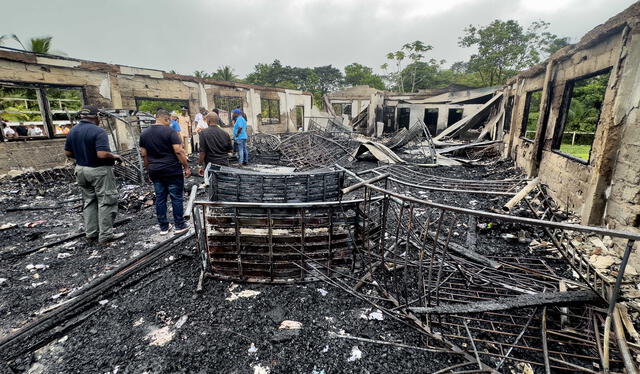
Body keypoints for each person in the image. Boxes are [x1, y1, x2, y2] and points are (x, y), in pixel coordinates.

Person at [64, 105, 124, 244]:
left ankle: (91, 233)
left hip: (81, 170)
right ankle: (106, 235)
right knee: (106, 201)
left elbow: (68, 153)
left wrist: (82, 156)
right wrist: (115, 156)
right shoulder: (98, 132)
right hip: (98, 170)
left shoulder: (73, 131)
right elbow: (102, 154)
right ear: (95, 117)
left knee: (89, 201)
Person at [139, 109, 191, 235]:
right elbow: (178, 151)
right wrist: (186, 167)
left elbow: (144, 155)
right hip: (172, 170)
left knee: (160, 198)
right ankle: (179, 225)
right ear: (166, 119)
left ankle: (164, 227)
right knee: (176, 197)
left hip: (155, 170)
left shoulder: (144, 133)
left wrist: (148, 170)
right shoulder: (170, 131)